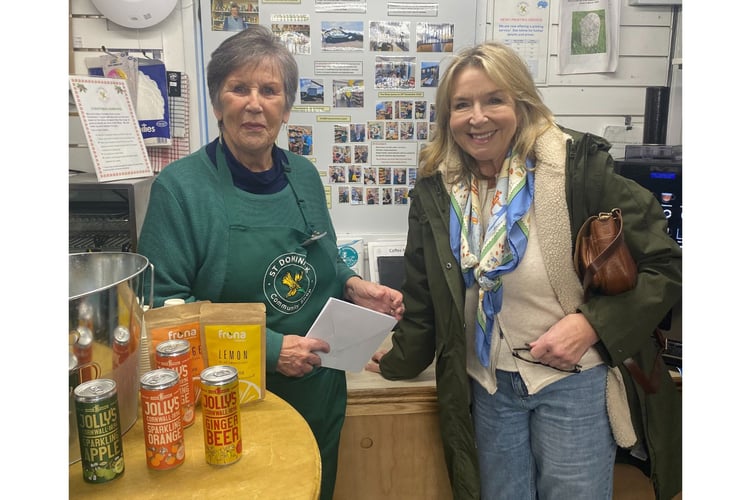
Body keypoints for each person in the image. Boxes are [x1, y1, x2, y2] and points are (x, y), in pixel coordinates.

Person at [366, 41, 682, 500]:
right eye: (462, 105)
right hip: (489, 387)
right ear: (447, 116)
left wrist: (591, 325)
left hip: (573, 382)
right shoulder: (438, 189)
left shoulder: (576, 169)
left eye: (494, 99)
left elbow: (664, 265)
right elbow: (424, 296)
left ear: (522, 102)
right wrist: (399, 360)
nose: (477, 118)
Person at [137, 26, 404, 500]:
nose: (254, 104)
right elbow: (164, 313)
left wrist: (352, 284)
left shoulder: (304, 175)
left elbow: (321, 258)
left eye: (270, 90)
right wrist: (269, 348)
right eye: (239, 88)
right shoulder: (180, 189)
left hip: (320, 390)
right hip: (232, 404)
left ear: (286, 106)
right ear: (217, 103)